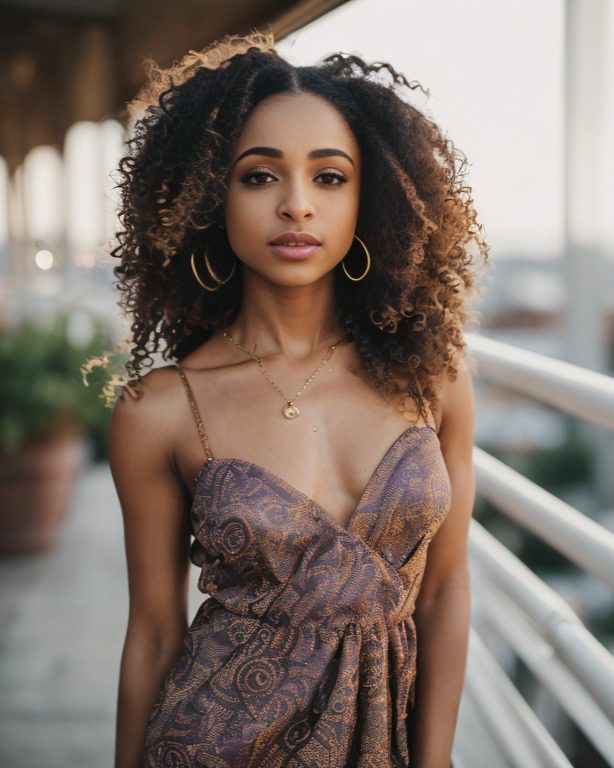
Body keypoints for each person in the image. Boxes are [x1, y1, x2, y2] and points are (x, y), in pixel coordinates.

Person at [108, 29, 490, 768]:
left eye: (329, 177)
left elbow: (443, 592)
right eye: (258, 177)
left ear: (369, 198)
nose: (295, 206)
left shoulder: (434, 379)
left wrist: (434, 759)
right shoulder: (158, 409)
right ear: (209, 196)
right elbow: (154, 634)